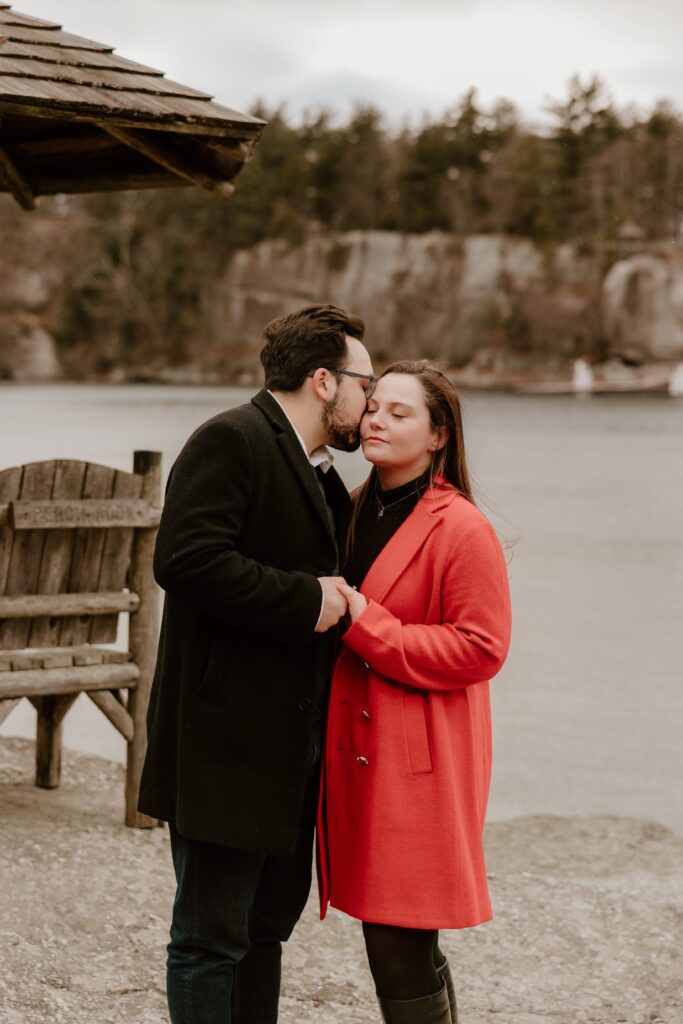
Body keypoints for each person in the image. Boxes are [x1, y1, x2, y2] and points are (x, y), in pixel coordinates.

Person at [138, 304, 374, 1024]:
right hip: (222, 743)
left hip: (285, 752)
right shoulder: (231, 439)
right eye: (365, 383)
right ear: (324, 381)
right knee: (209, 939)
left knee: (265, 932)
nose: (370, 400)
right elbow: (183, 560)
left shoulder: (321, 471)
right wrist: (306, 599)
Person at [318, 361, 512, 1024]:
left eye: (399, 413)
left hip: (417, 760)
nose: (375, 419)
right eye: (374, 405)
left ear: (437, 436)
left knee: (397, 939)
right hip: (353, 752)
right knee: (403, 941)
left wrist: (368, 623)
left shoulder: (462, 528)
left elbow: (481, 649)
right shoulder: (347, 509)